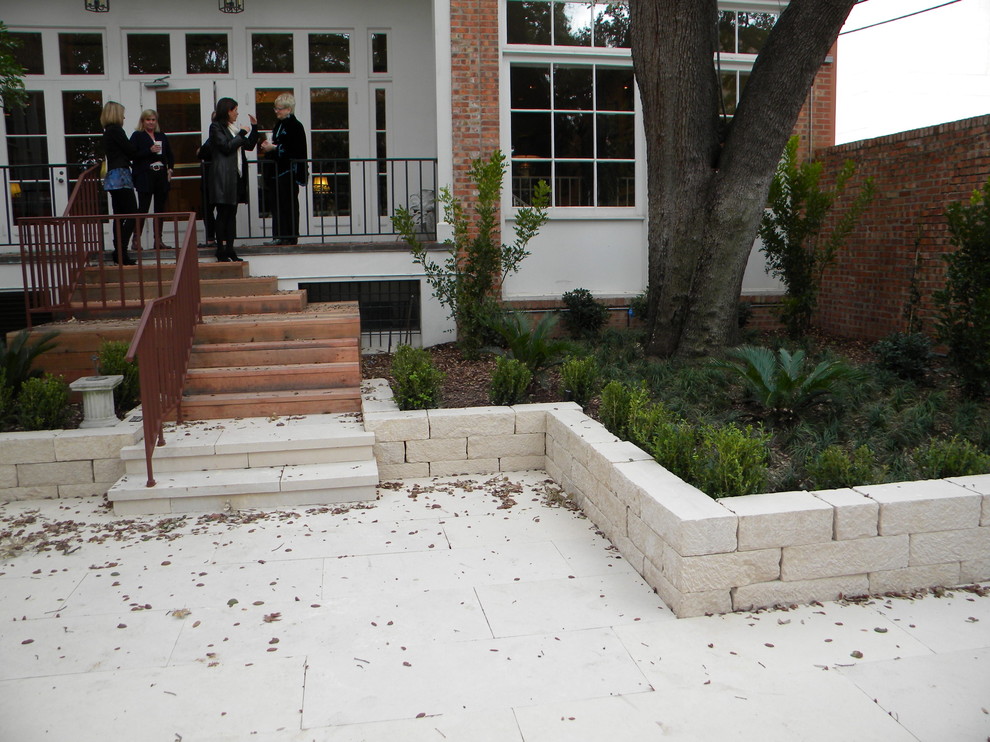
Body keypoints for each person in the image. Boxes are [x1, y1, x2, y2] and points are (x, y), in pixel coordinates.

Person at [208, 97, 258, 262]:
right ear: (227, 111)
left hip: (235, 176)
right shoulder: (216, 127)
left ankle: (230, 248)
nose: (237, 113)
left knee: (232, 214)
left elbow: (249, 145)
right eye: (235, 110)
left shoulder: (233, 128)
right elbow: (227, 147)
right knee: (223, 213)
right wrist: (242, 132)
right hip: (223, 177)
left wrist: (255, 128)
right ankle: (220, 249)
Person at [259, 93, 308, 245]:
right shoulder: (279, 124)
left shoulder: (295, 126)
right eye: (276, 108)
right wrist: (270, 147)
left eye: (279, 109)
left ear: (288, 109)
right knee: (277, 204)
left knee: (288, 204)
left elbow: (295, 149)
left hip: (288, 172)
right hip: (277, 172)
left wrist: (274, 147)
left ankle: (289, 236)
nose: (276, 111)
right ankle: (279, 236)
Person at [100, 101, 138, 265]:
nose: (123, 116)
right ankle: (122, 250)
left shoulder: (108, 131)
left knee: (118, 215)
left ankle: (119, 251)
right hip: (120, 174)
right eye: (122, 113)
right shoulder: (116, 130)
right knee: (132, 214)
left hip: (113, 175)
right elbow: (130, 150)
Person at [130, 109, 174, 249]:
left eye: (153, 120)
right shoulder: (137, 136)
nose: (151, 122)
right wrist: (149, 150)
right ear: (143, 121)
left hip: (161, 173)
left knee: (160, 208)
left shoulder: (161, 135)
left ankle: (158, 240)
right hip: (145, 174)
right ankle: (136, 240)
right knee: (143, 207)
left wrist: (170, 169)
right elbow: (132, 155)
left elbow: (170, 155)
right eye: (148, 119)